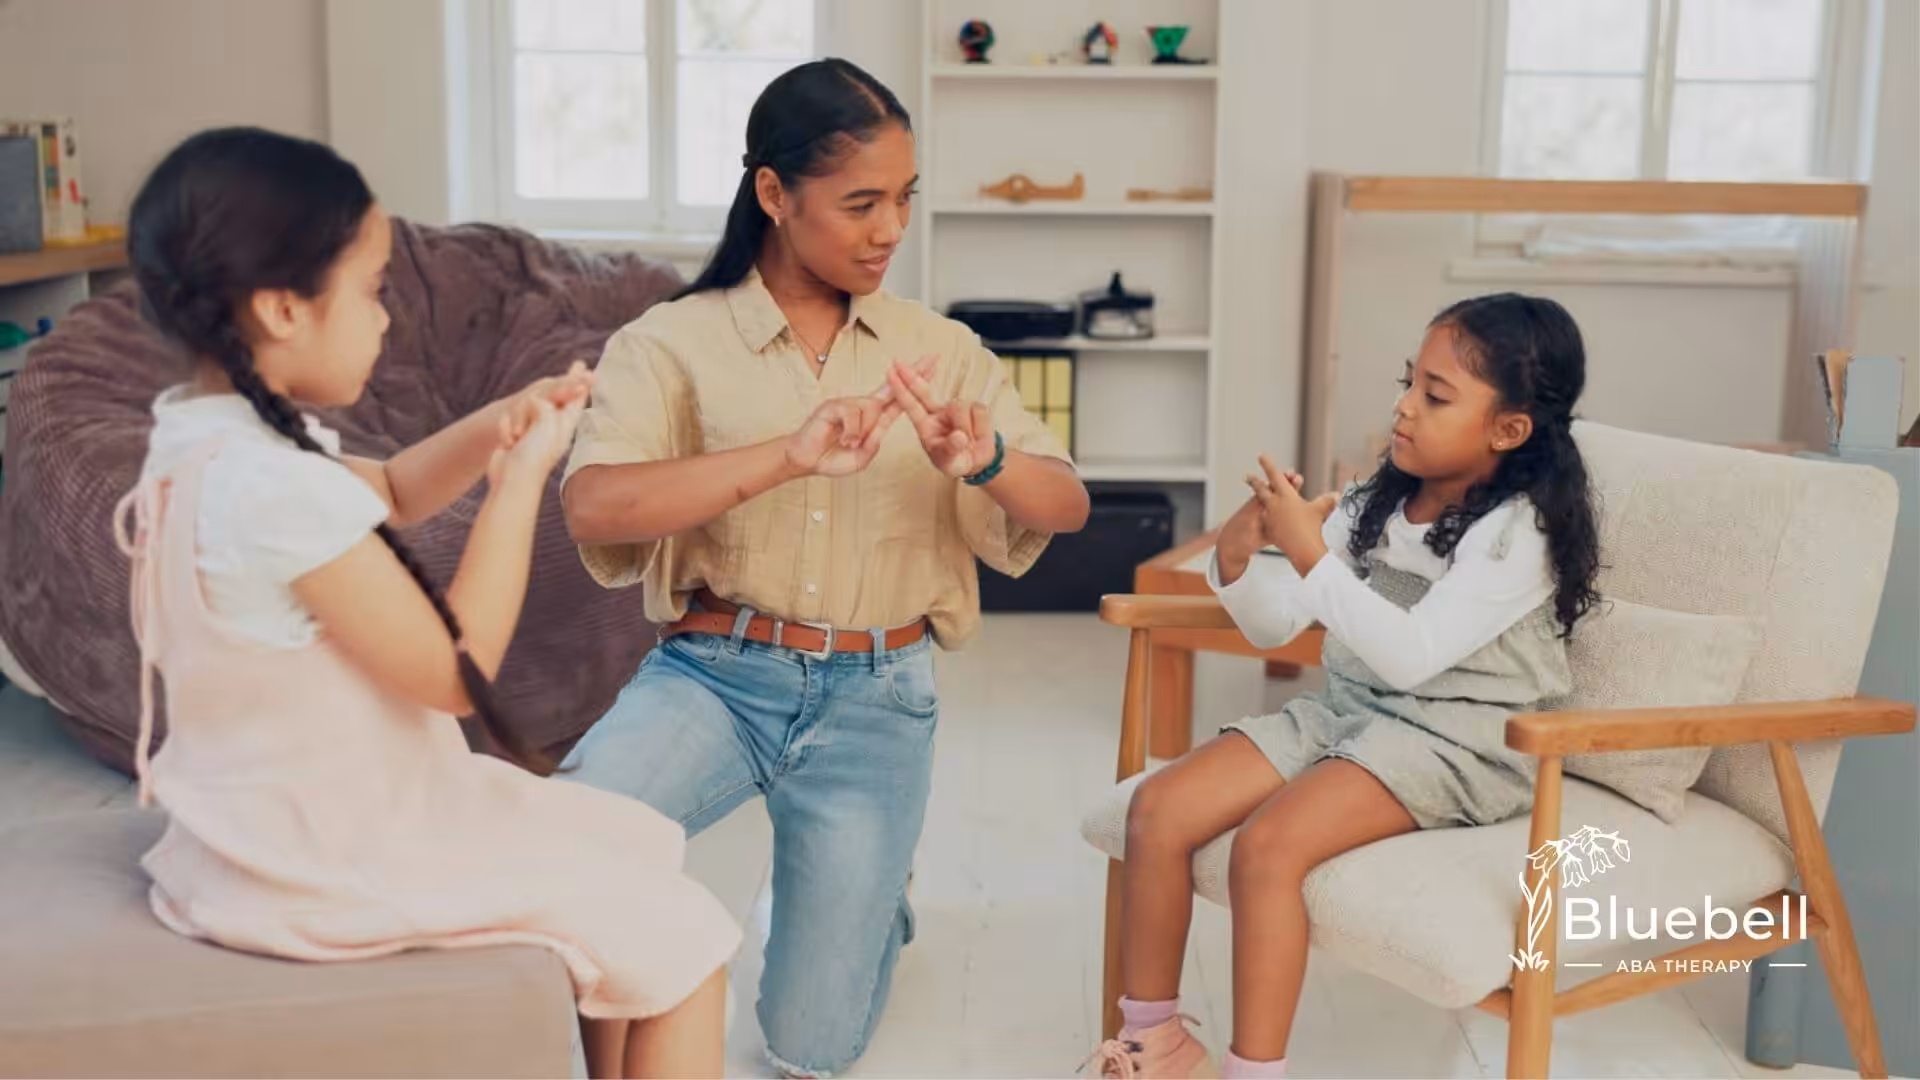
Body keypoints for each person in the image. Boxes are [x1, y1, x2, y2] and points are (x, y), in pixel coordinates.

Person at [117, 127, 739, 1080]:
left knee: (628, 844)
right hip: (326, 861)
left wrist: (504, 420)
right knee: (692, 944)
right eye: (371, 293)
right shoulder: (275, 494)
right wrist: (521, 480)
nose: (387, 319)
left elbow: (399, 491)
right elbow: (457, 672)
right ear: (284, 308)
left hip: (259, 831)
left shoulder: (212, 446)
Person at [559, 58, 1091, 1077]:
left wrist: (983, 461)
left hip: (877, 699)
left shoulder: (942, 349)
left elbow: (1065, 502)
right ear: (773, 193)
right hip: (713, 673)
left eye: (903, 200)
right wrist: (786, 454)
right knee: (571, 837)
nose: (891, 228)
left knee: (809, 1049)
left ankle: (872, 891)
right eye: (861, 203)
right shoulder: (668, 343)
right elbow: (596, 502)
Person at [1088, 293, 1602, 1079]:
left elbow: (1412, 655)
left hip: (1456, 743)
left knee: (1268, 849)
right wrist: (1241, 554)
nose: (1403, 407)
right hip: (1352, 715)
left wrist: (1310, 555)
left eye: (1435, 396)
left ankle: (1253, 1071)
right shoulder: (1379, 499)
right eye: (1408, 382)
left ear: (1508, 429)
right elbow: (1275, 628)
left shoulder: (1518, 531)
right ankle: (1152, 1043)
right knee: (1158, 809)